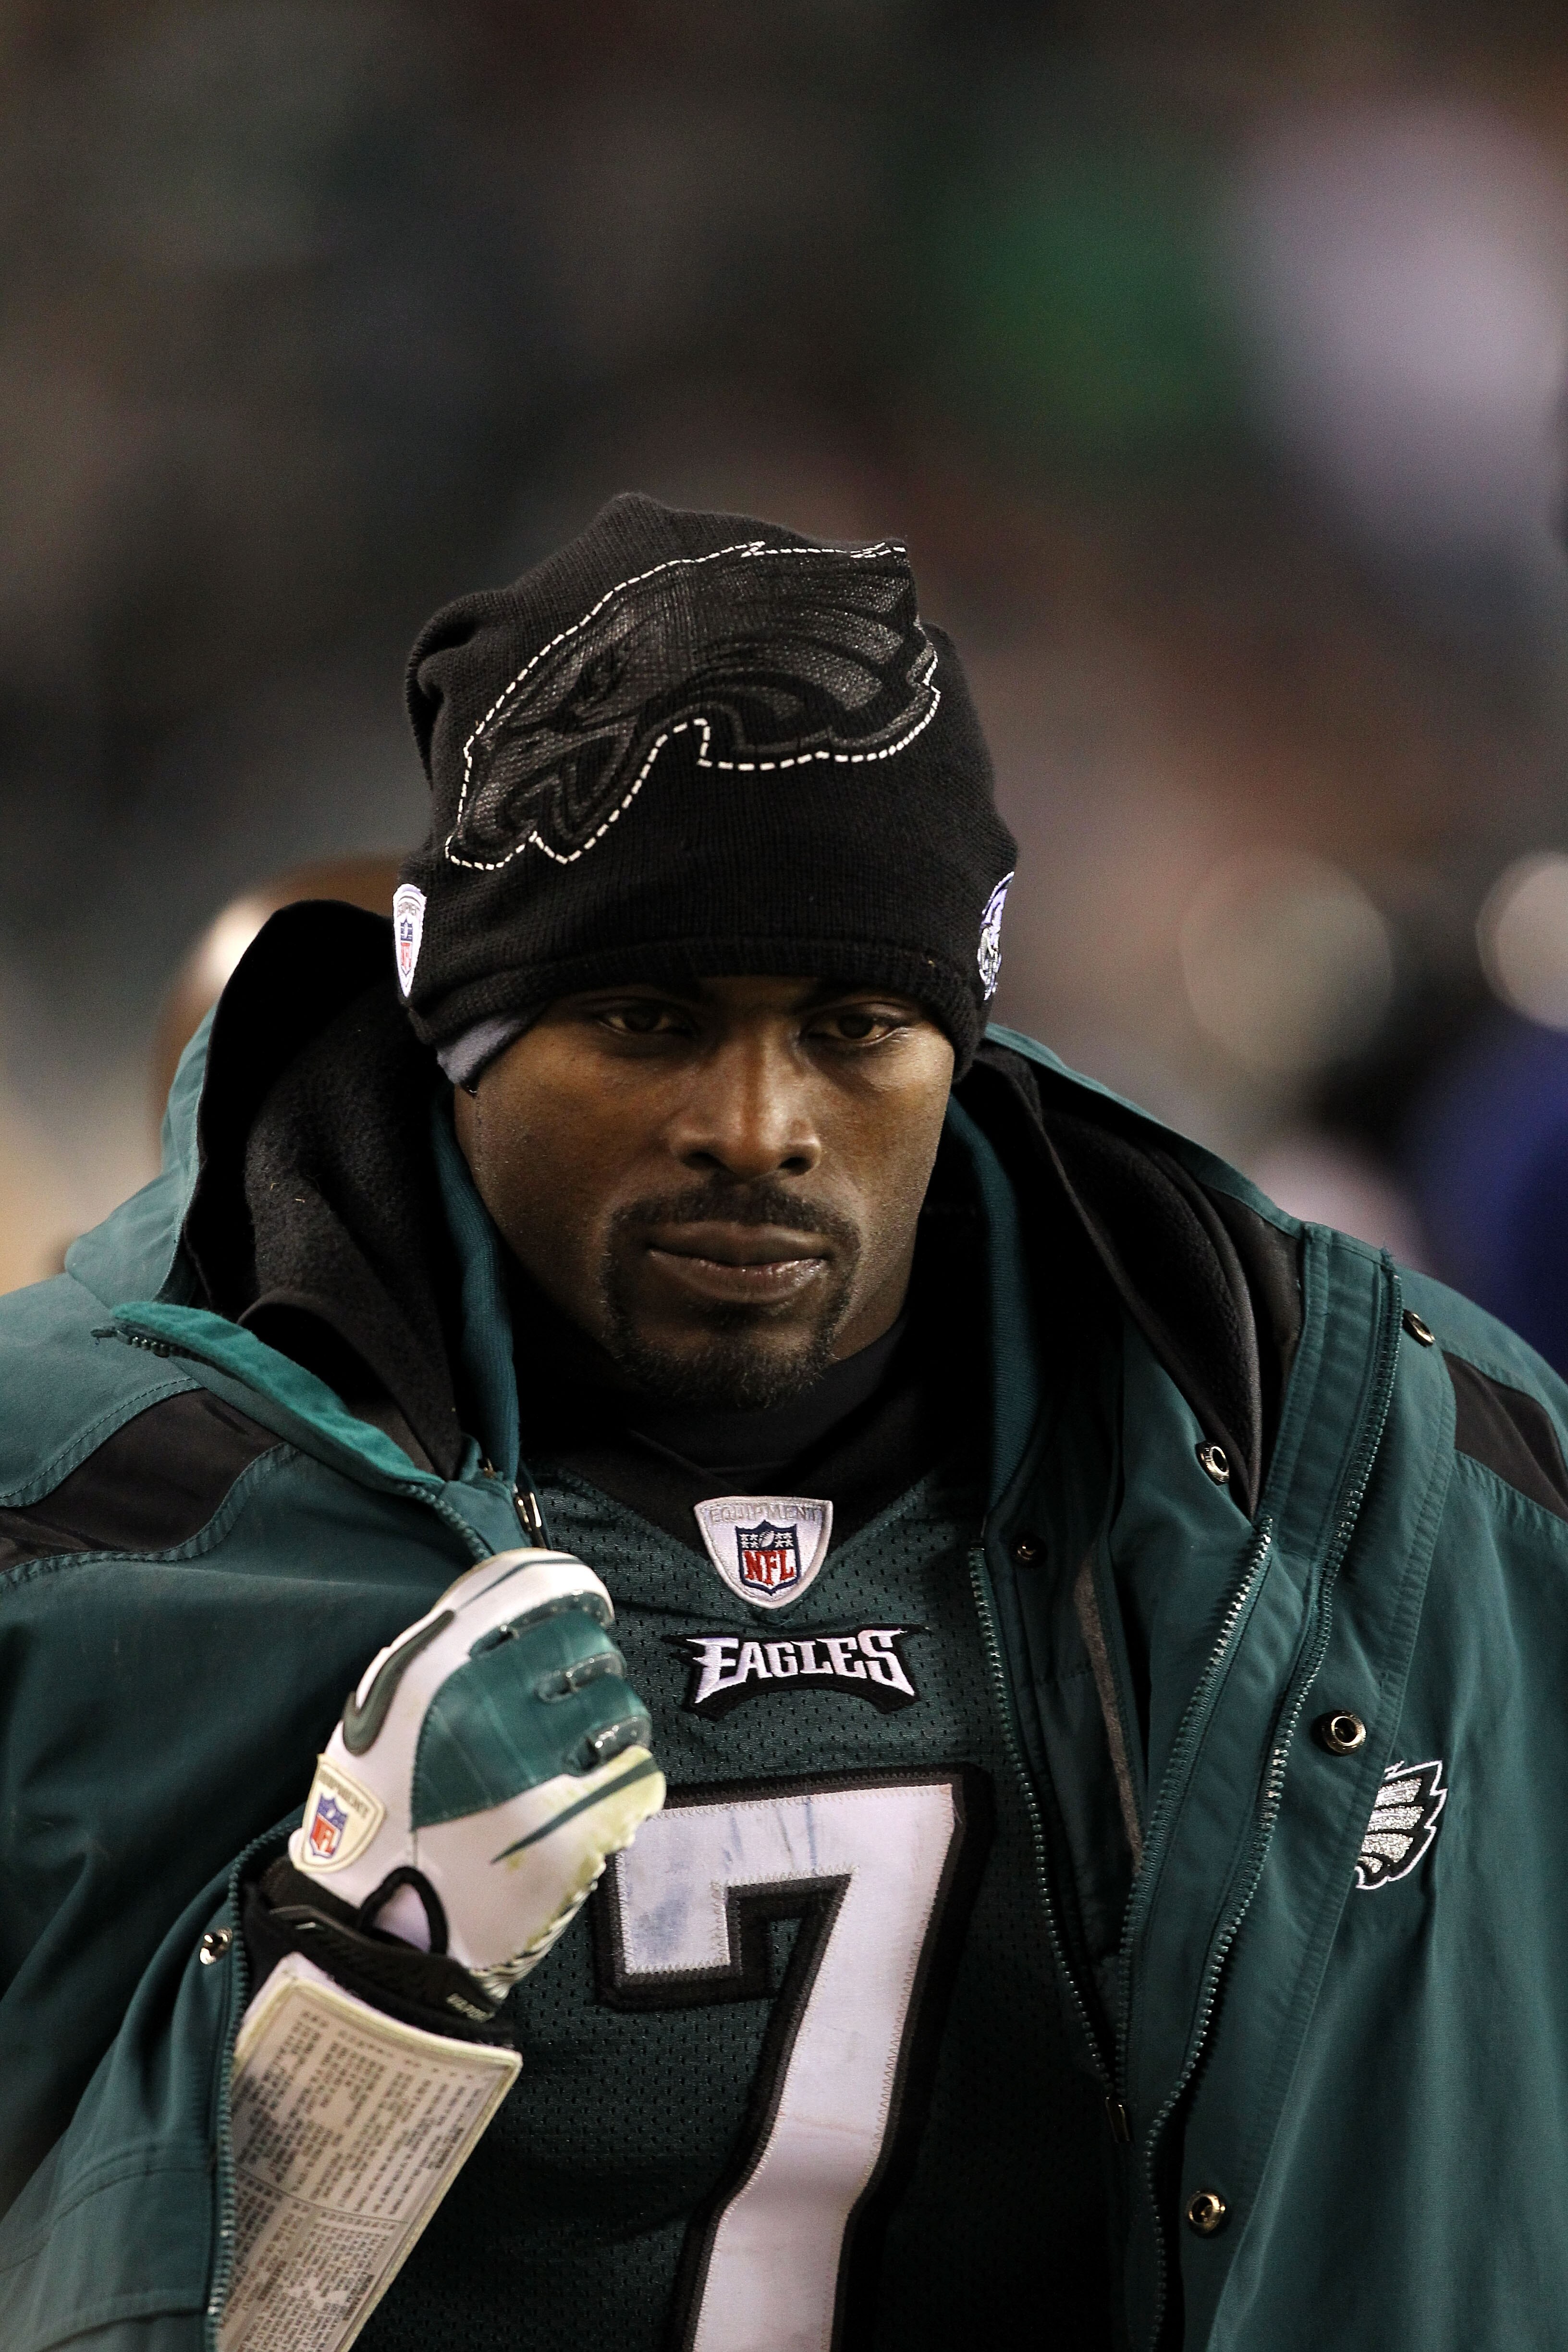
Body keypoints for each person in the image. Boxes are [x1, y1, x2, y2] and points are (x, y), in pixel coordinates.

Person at [2, 494, 1567, 2352]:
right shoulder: (95, 1519)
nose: (759, 1124)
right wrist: (353, 1980)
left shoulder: (1380, 1473)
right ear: (461, 1029)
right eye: (650, 1019)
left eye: (852, 1025)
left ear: (962, 1040)